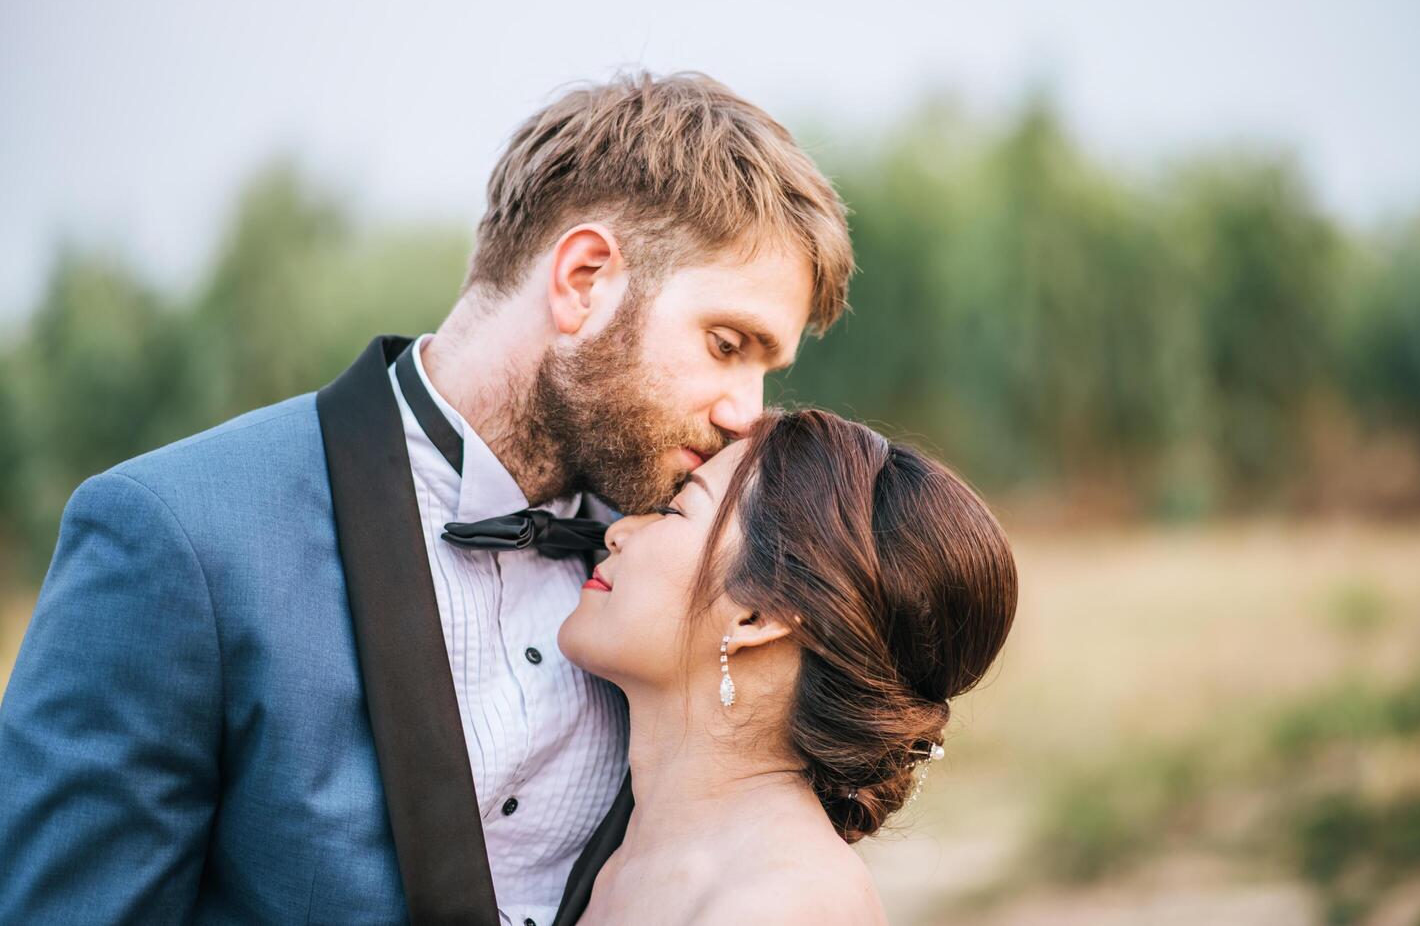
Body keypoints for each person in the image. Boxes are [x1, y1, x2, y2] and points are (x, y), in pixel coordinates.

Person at [0, 71, 854, 926]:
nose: (745, 414)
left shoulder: (674, 587)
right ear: (584, 279)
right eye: (726, 342)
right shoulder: (178, 535)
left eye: (763, 368)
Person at [557, 409, 1019, 924]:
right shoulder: (627, 863)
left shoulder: (780, 903)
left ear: (759, 615)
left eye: (674, 510)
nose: (618, 531)